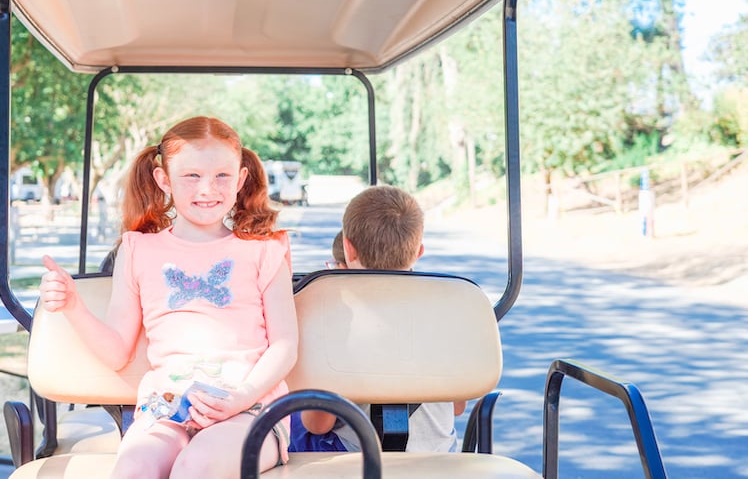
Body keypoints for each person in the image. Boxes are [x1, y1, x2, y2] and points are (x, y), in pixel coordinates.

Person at [40, 116, 298, 478]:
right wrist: (73, 306)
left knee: (197, 468)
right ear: (164, 180)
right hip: (166, 407)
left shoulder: (264, 251)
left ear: (240, 179)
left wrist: (242, 396)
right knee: (133, 468)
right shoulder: (137, 250)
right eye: (191, 176)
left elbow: (285, 345)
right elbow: (116, 352)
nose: (207, 188)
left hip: (249, 407)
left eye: (222, 176)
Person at [289, 185, 466, 454]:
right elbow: (457, 407)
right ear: (418, 251)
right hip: (439, 454)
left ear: (347, 250)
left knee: (287, 419)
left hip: (357, 457)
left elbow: (318, 423)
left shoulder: (330, 312)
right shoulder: (449, 307)